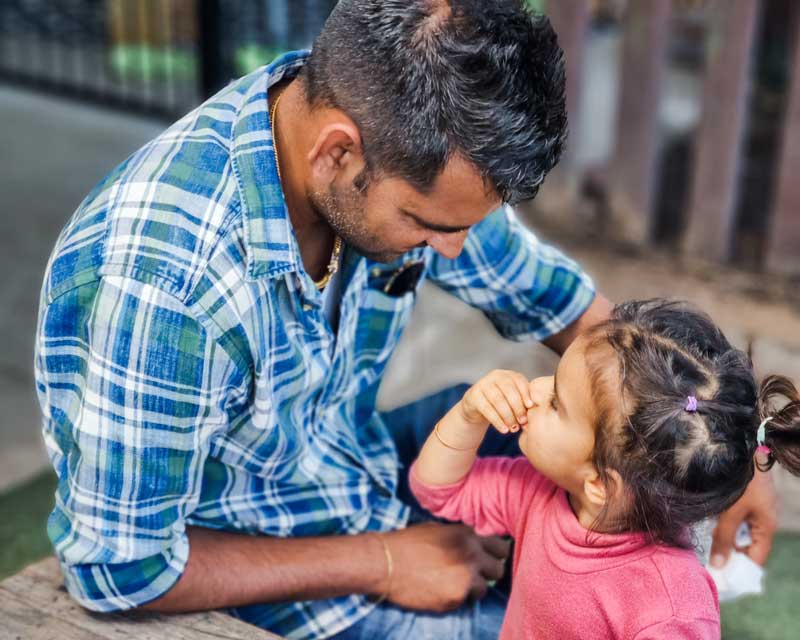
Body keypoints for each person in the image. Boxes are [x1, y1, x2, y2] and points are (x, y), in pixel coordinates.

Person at [33, 1, 775, 638]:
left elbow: (552, 299)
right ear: (337, 153)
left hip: (342, 449)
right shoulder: (165, 291)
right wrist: (389, 560)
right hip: (255, 540)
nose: (456, 249)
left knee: (612, 447)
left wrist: (718, 439)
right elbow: (118, 568)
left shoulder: (375, 126)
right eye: (428, 225)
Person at [410, 299, 800, 639]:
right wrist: (468, 414)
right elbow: (437, 489)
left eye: (557, 404)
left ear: (599, 484)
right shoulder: (540, 495)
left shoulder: (671, 608)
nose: (536, 389)